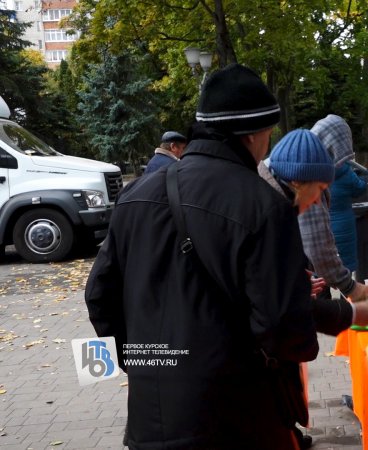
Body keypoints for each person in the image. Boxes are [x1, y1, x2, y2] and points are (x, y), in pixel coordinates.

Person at [85, 63, 318, 449]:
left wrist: (147, 365)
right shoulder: (263, 206)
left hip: (151, 422)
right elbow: (284, 330)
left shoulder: (134, 194)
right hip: (239, 420)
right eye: (270, 131)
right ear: (255, 133)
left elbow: (99, 296)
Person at [258, 128, 368, 336]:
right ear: (296, 182)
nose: (318, 201)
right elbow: (277, 307)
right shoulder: (267, 214)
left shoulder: (273, 199)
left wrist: (293, 279)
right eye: (321, 189)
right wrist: (352, 313)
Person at [306, 115, 368, 291]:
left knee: (319, 286)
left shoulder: (304, 172)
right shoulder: (310, 179)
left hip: (313, 263)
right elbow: (316, 246)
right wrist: (351, 289)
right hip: (344, 226)